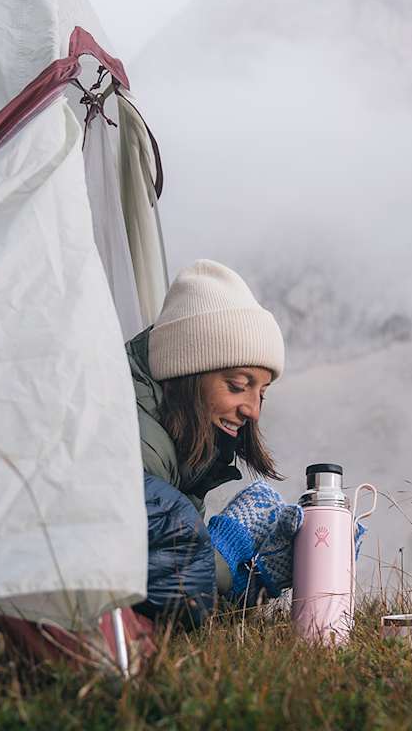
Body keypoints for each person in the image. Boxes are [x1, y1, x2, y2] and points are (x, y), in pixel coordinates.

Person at [125, 259, 303, 624]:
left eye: (262, 393)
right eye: (238, 386)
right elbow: (170, 575)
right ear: (187, 372)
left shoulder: (184, 437)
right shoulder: (136, 436)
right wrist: (227, 562)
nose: (253, 410)